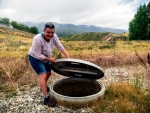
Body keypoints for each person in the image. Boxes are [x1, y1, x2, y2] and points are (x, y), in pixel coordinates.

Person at [28, 22, 70, 107]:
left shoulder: (54, 36)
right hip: (35, 58)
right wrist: (49, 59)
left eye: (52, 32)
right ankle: (46, 99)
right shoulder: (37, 39)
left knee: (48, 73)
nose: (50, 34)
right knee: (43, 75)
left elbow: (60, 46)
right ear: (44, 31)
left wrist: (68, 57)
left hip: (46, 57)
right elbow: (37, 55)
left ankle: (42, 86)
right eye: (48, 32)